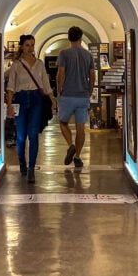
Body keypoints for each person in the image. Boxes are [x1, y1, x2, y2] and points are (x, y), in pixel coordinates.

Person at [4, 34, 53, 182]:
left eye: (32, 45)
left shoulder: (39, 64)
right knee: (20, 135)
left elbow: (46, 84)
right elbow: (11, 87)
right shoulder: (16, 65)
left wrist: (53, 99)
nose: (30, 48)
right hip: (20, 99)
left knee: (33, 134)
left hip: (36, 99)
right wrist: (10, 106)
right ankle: (21, 161)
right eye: (27, 45)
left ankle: (32, 168)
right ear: (22, 46)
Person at [55, 26, 96, 170]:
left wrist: (59, 91)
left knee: (62, 123)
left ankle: (70, 145)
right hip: (83, 96)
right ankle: (77, 157)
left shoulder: (64, 53)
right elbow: (92, 76)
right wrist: (89, 91)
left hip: (67, 95)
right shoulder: (88, 55)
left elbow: (61, 74)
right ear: (81, 37)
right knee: (81, 128)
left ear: (69, 37)